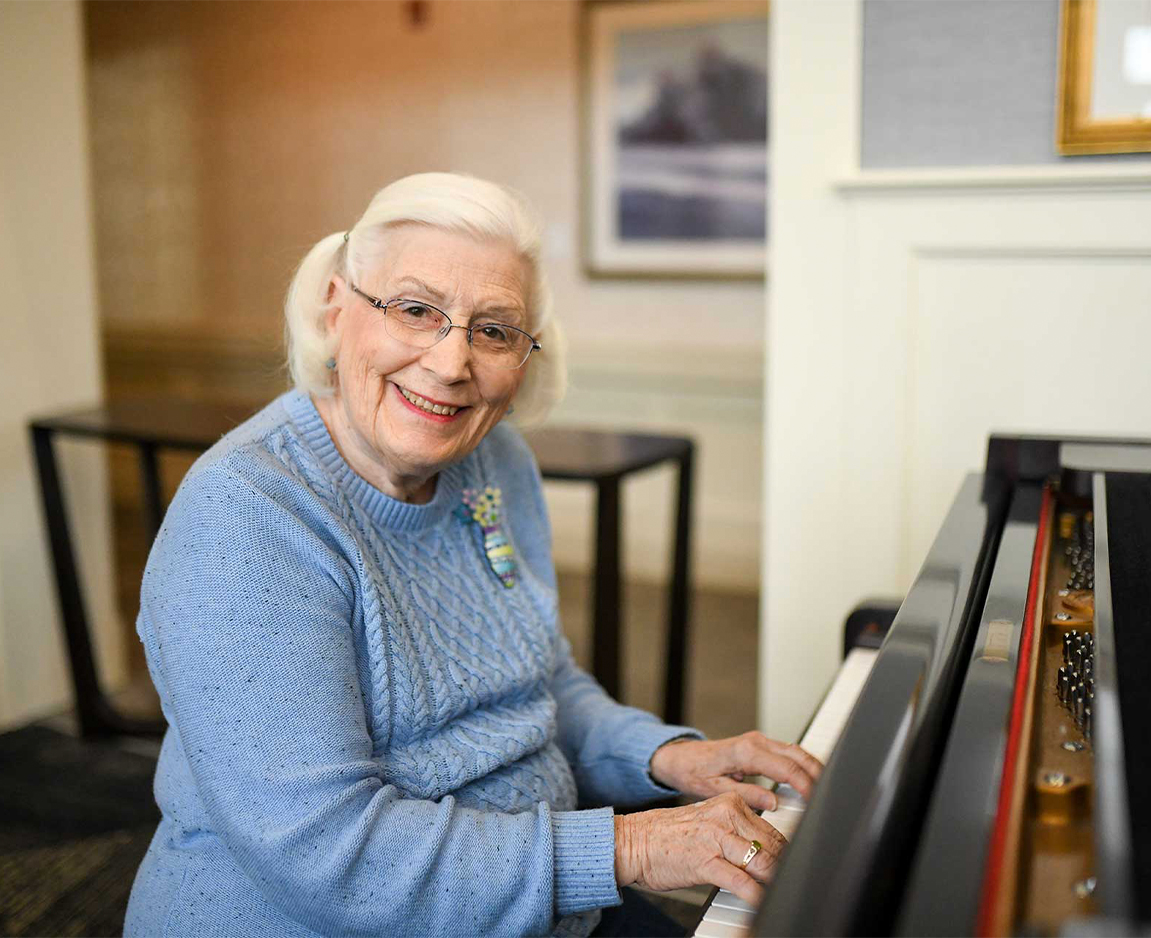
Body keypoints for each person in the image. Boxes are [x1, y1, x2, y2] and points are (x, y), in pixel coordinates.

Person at [124, 172, 823, 938]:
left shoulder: (496, 462)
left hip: (542, 901)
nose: (452, 363)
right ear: (335, 308)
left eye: (493, 330)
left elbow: (537, 683)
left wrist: (666, 760)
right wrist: (628, 845)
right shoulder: (249, 517)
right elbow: (332, 857)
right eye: (416, 309)